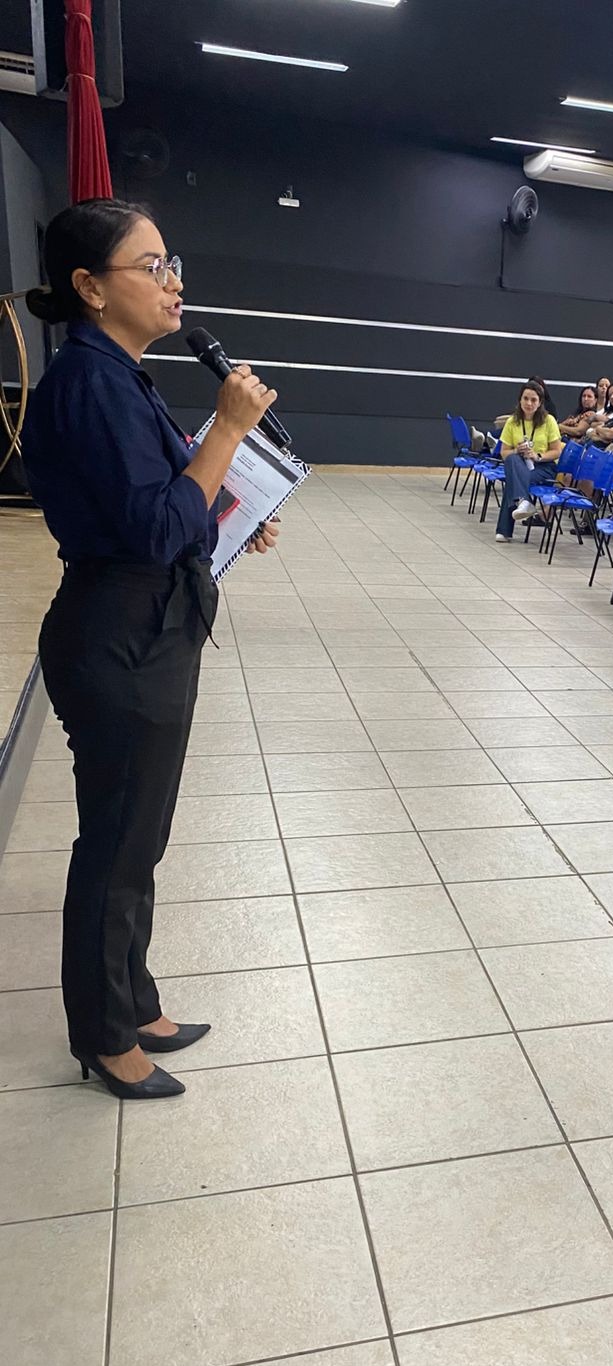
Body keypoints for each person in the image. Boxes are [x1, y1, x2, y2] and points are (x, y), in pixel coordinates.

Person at [21, 200, 282, 1099]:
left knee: (141, 836)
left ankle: (133, 1000)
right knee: (117, 842)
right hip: (119, 635)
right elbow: (156, 525)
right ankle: (103, 1036)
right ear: (90, 287)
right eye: (151, 266)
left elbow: (175, 505)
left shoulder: (118, 375)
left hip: (149, 626)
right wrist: (228, 432)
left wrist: (226, 512)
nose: (173, 283)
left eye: (173, 264)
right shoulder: (90, 385)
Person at [495, 382, 563, 539]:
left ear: (540, 403)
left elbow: (557, 451)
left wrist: (537, 456)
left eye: (533, 400)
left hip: (543, 466)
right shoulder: (513, 421)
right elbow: (504, 452)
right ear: (520, 400)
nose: (529, 403)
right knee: (512, 459)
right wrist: (517, 450)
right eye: (525, 399)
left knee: (512, 480)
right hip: (520, 463)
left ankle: (504, 530)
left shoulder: (549, 420)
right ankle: (525, 501)